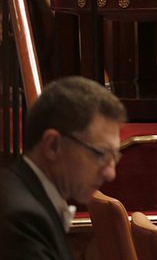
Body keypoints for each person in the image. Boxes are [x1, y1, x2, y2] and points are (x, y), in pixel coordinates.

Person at [0, 77, 127, 259]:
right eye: (101, 155)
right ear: (53, 145)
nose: (110, 174)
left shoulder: (25, 193)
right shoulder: (21, 218)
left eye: (114, 157)